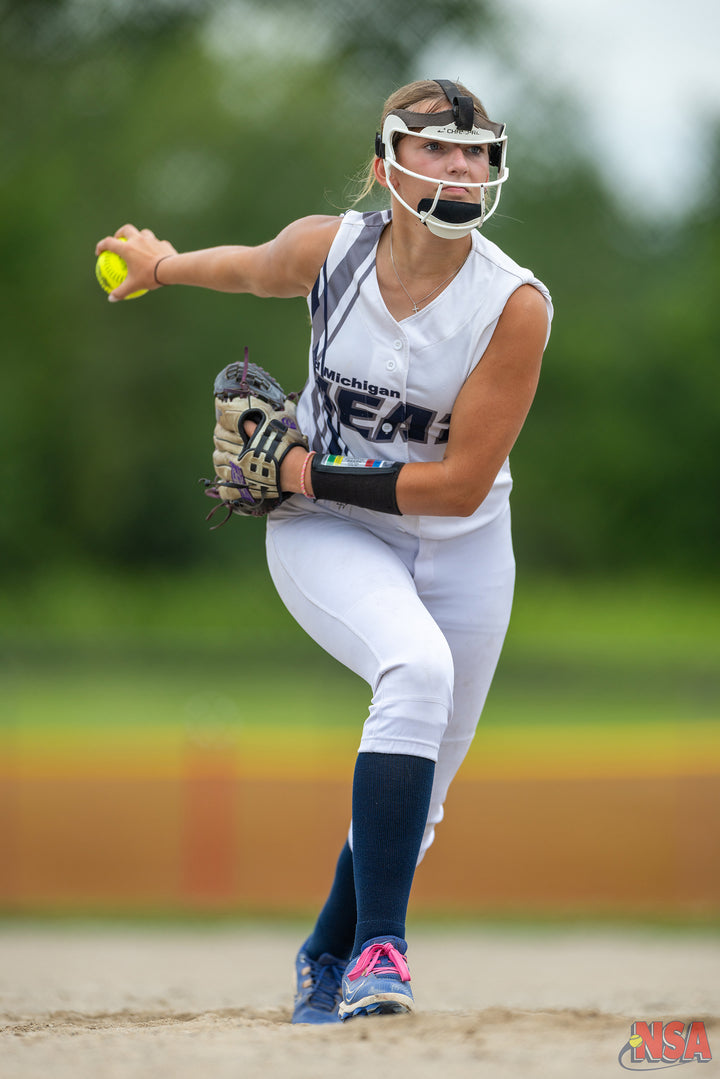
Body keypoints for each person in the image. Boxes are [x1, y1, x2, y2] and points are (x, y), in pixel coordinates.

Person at [95, 77, 553, 1024]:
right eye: (437, 146)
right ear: (387, 164)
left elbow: (459, 486)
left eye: (477, 151)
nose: (462, 164)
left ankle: (326, 953)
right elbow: (255, 265)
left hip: (459, 543)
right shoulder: (334, 250)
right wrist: (163, 265)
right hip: (328, 533)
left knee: (418, 802)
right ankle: (383, 952)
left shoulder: (513, 305)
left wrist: (300, 470)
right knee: (414, 668)